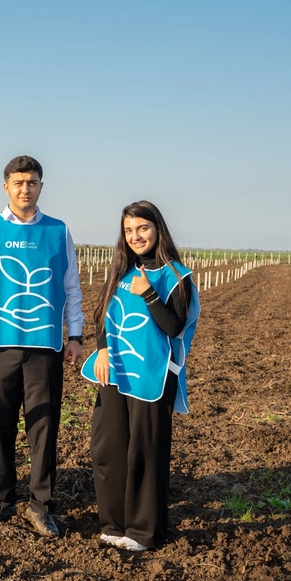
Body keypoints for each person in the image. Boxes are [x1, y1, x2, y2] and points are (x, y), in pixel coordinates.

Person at [0, 155, 84, 537]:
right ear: (6, 186)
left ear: (41, 186)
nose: (25, 189)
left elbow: (71, 288)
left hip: (44, 346)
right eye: (18, 182)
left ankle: (41, 505)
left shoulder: (59, 232)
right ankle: (2, 500)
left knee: (43, 427)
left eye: (31, 182)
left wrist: (74, 335)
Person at [80, 200, 200, 552]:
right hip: (115, 372)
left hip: (153, 376)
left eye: (142, 228)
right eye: (129, 231)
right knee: (108, 448)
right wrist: (101, 349)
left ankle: (145, 532)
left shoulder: (176, 275)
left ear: (157, 229)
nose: (136, 236)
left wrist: (148, 293)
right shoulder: (121, 272)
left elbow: (174, 326)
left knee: (145, 452)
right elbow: (103, 315)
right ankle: (114, 524)